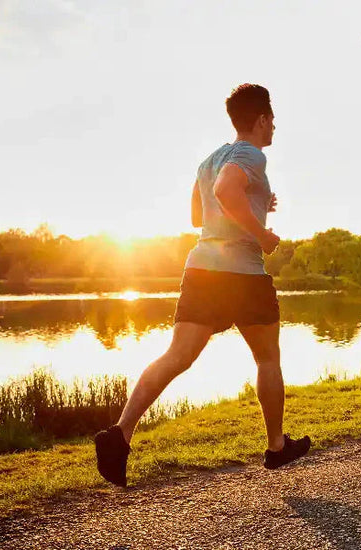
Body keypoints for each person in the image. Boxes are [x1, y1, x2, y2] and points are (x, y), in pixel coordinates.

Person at [94, 84, 311, 487]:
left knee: (177, 356)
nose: (275, 127)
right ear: (261, 118)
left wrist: (258, 201)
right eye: (273, 119)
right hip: (242, 272)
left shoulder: (209, 159)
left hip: (202, 269)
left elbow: (201, 214)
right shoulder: (251, 153)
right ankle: (277, 446)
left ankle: (120, 433)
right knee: (267, 359)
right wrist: (262, 234)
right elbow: (226, 192)